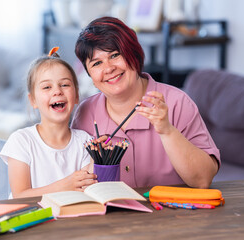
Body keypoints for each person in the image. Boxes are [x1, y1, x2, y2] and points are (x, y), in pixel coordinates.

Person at [71, 17, 220, 189]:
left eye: (115, 55)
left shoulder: (177, 102)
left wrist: (167, 131)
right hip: (109, 214)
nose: (109, 68)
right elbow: (75, 181)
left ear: (133, 53)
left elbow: (203, 180)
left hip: (173, 213)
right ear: (89, 75)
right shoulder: (86, 113)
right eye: (97, 63)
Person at [0, 48, 97, 198]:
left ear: (76, 96)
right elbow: (20, 195)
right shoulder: (21, 141)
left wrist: (98, 156)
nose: (57, 91)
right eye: (47, 87)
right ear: (33, 100)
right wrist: (66, 185)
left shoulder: (85, 141)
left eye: (64, 85)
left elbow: (86, 189)